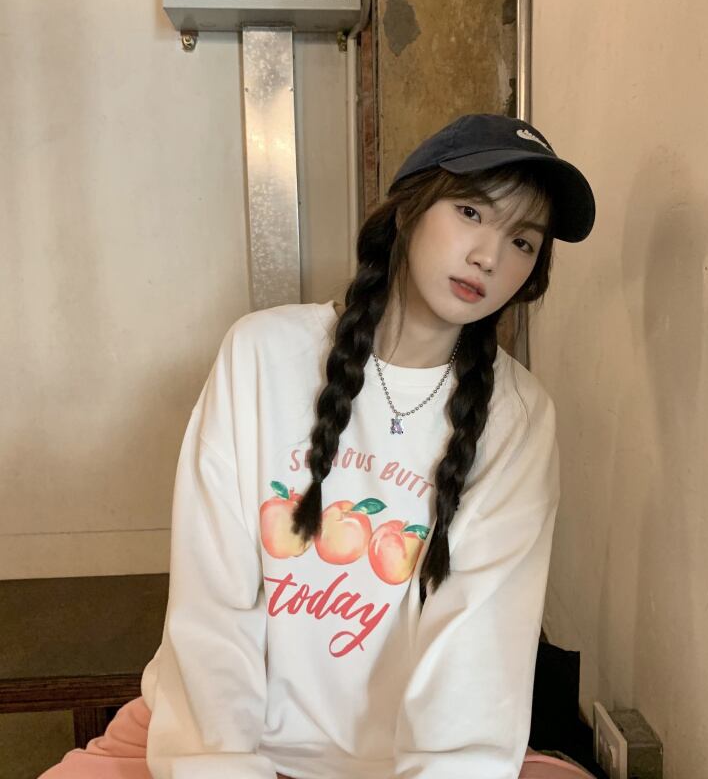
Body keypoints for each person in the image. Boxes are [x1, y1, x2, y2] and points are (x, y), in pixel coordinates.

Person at [39, 113, 596, 779]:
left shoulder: (519, 417)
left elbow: (479, 654)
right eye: (471, 211)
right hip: (212, 741)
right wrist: (222, 767)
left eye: (523, 241)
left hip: (404, 762)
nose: (489, 257)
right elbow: (214, 605)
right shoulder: (261, 354)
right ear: (408, 210)